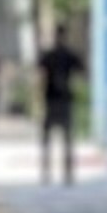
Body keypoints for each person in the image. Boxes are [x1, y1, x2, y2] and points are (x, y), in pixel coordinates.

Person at [38, 23, 87, 185]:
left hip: (51, 98)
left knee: (47, 139)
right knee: (67, 139)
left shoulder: (49, 55)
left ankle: (46, 172)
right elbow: (82, 69)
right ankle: (68, 173)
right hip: (65, 99)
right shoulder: (69, 54)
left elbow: (39, 72)